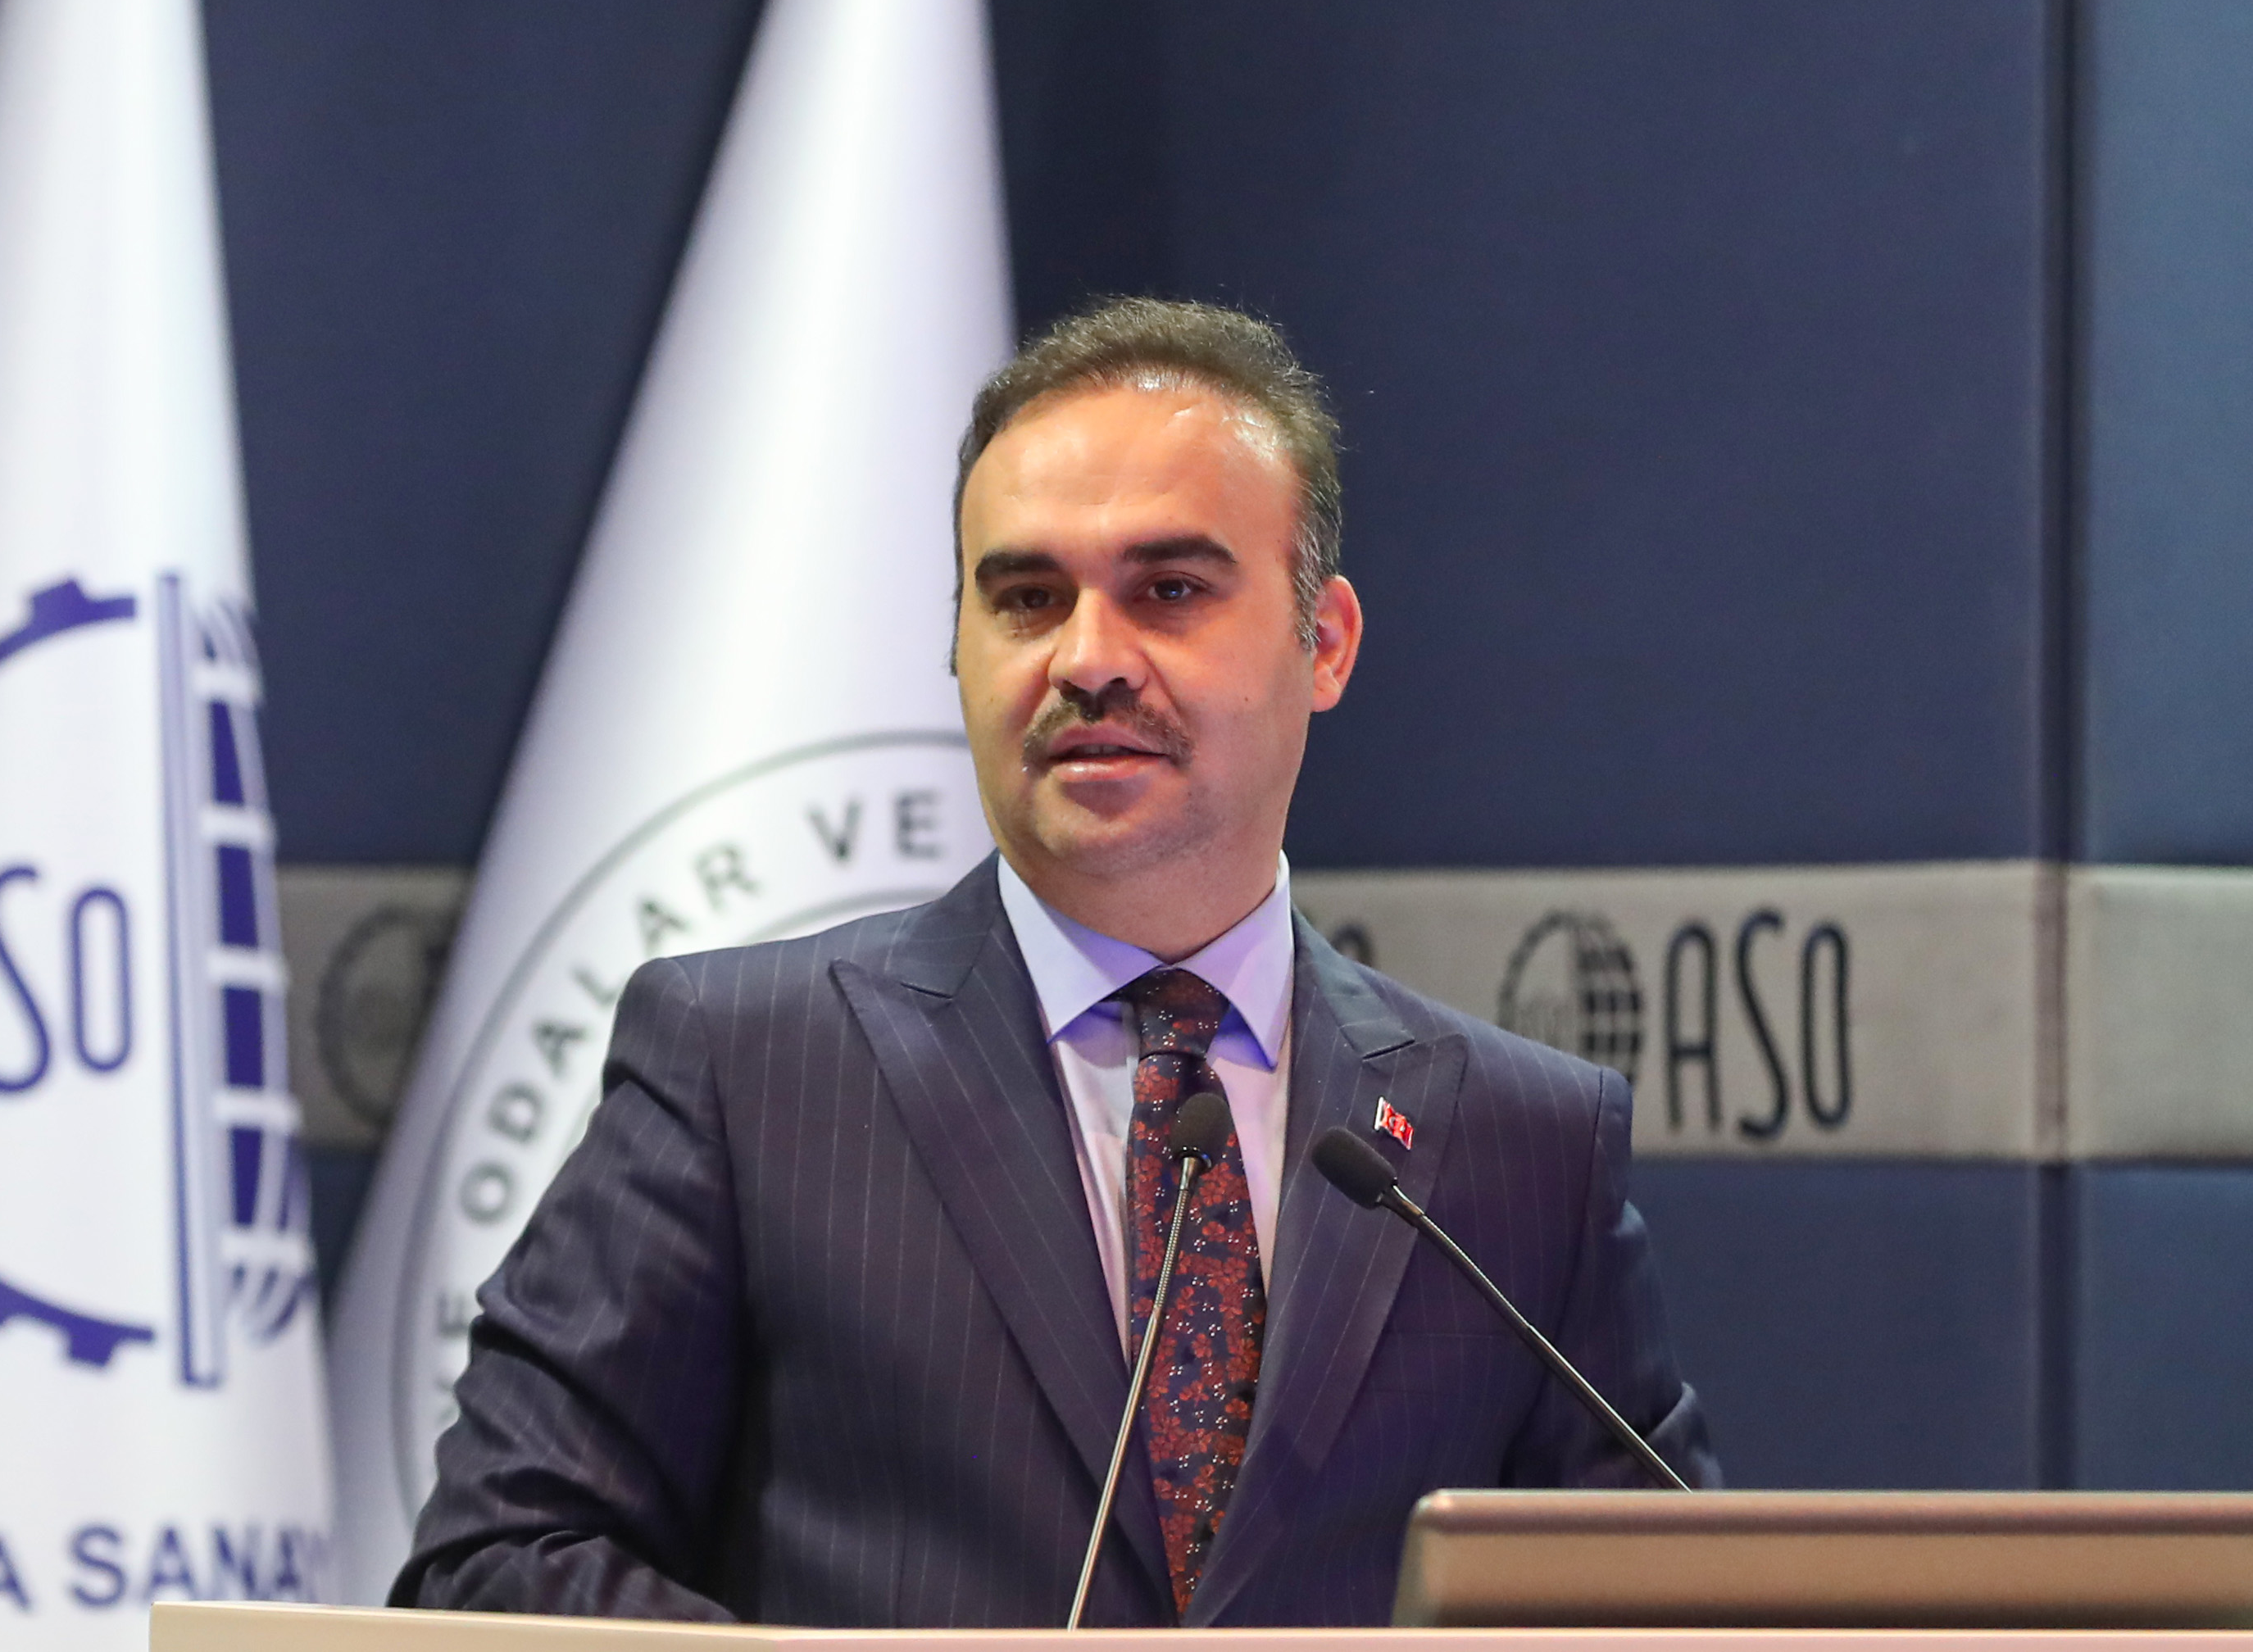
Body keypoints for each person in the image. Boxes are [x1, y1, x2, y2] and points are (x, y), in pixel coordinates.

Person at [395, 297, 1714, 1628]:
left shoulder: (1521, 1146)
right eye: (1027, 599)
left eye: (1170, 591)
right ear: (959, 648)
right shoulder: (749, 1072)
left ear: (1324, 643)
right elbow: (497, 1564)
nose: (1087, 660)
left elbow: (1669, 1611)